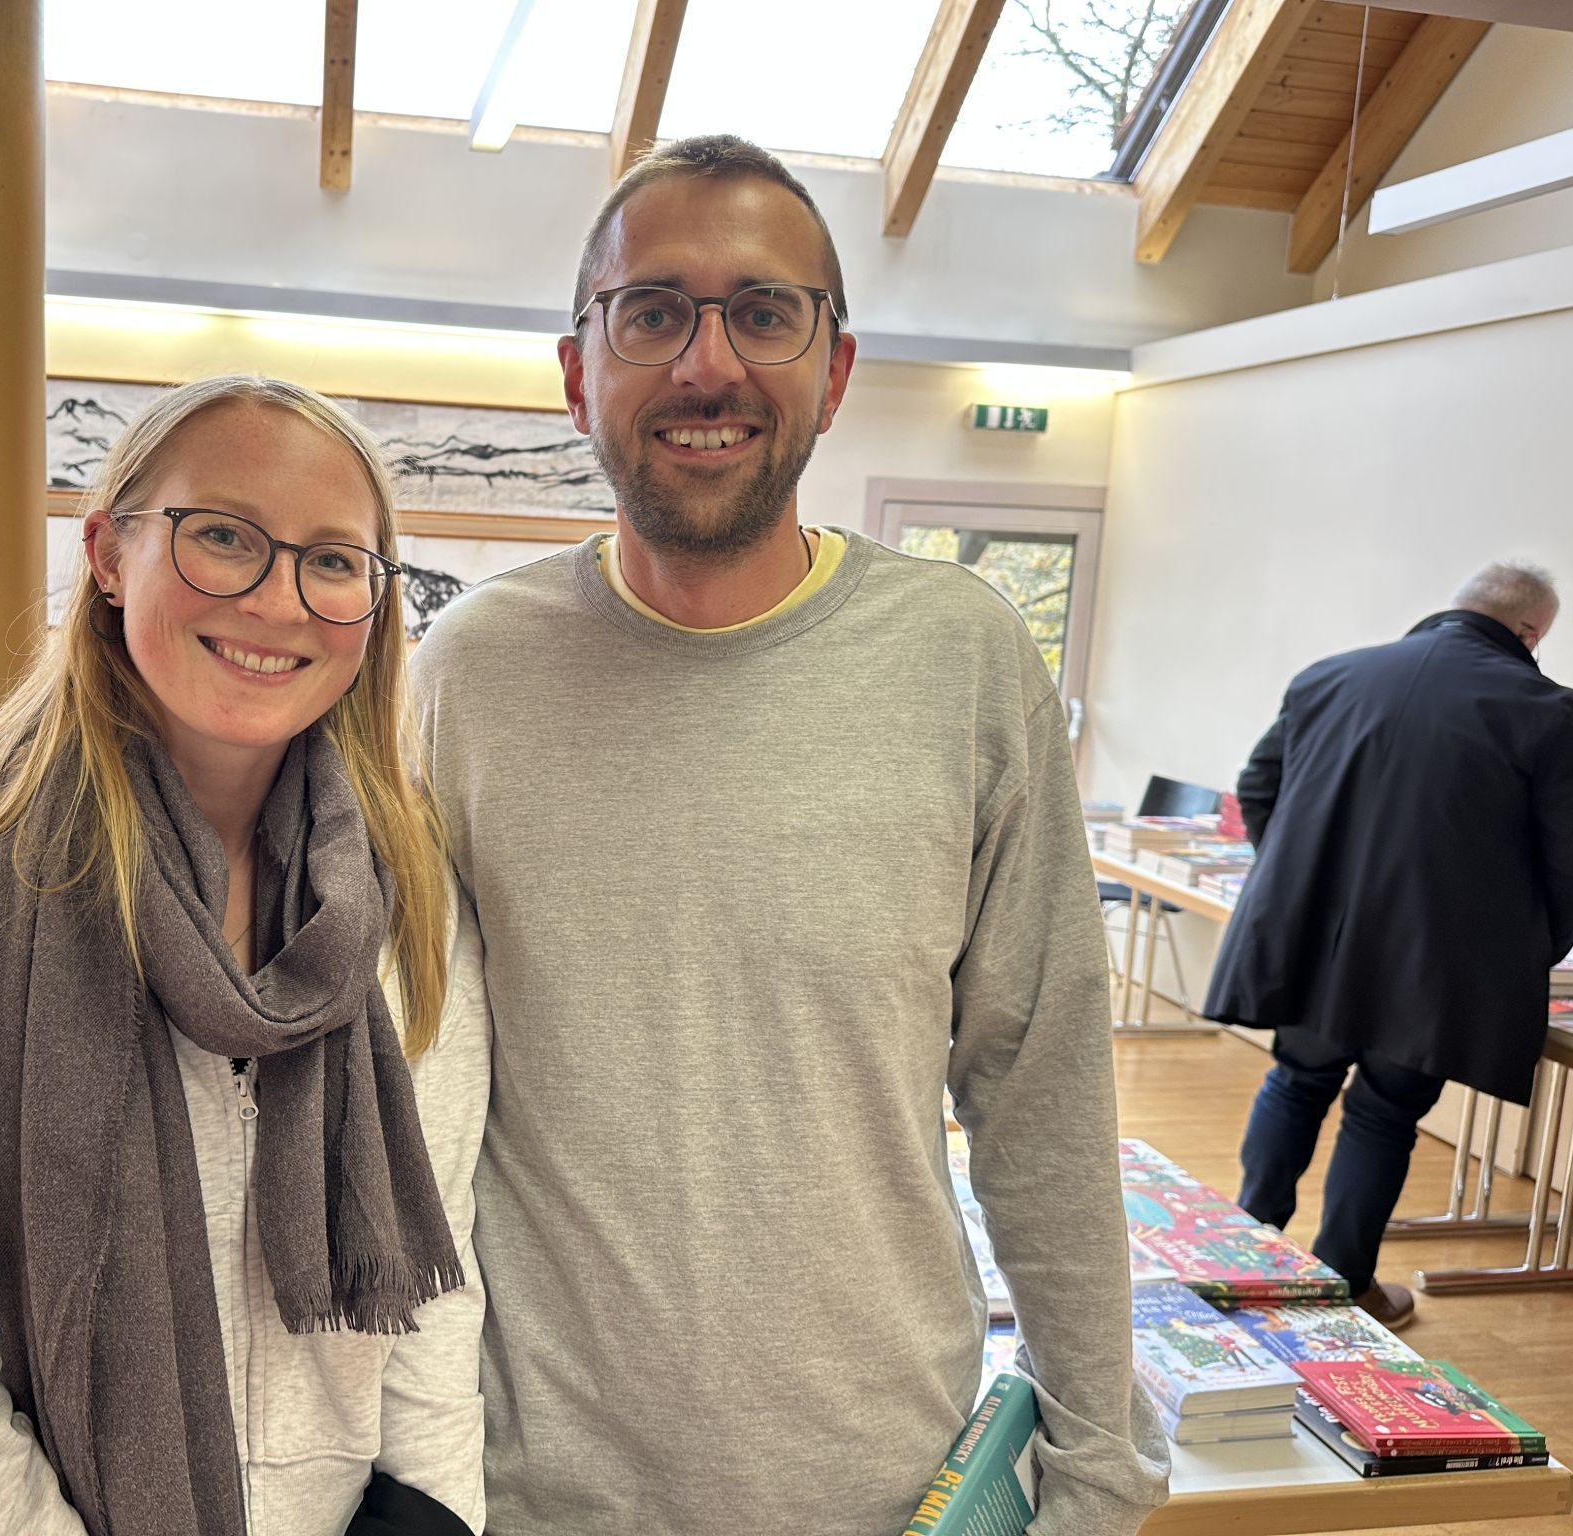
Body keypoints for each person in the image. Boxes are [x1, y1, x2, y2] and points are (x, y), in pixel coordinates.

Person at [410, 135, 1169, 1535]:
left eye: (765, 311)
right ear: (578, 370)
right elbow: (412, 1109)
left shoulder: (964, 660)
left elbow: (1042, 1096)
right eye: (653, 312)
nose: (708, 365)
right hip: (538, 1494)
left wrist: (1101, 1468)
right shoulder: (464, 674)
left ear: (835, 367)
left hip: (889, 1484)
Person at [0, 376, 490, 1536]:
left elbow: (431, 1274)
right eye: (220, 537)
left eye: (333, 560)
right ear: (108, 555)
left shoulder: (408, 901)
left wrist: (425, 1515)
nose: (277, 600)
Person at [1207, 560, 1573, 1327]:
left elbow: (1257, 785)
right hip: (1436, 966)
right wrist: (1533, 950)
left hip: (1317, 944)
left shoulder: (1329, 677)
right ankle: (1343, 1287)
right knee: (1383, 1113)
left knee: (1296, 1080)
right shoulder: (1550, 712)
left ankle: (1249, 1256)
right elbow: (1564, 856)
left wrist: (1298, 885)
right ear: (1530, 632)